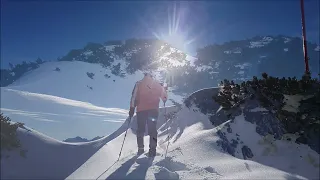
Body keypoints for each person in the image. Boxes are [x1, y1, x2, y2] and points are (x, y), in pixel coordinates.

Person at [129, 72, 168, 157]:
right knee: (152, 130)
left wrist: (132, 109)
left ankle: (140, 149)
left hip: (141, 110)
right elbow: (164, 98)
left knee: (140, 130)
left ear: (145, 75)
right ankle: (152, 150)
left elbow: (133, 97)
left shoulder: (139, 84)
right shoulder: (158, 85)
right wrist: (164, 89)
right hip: (153, 110)